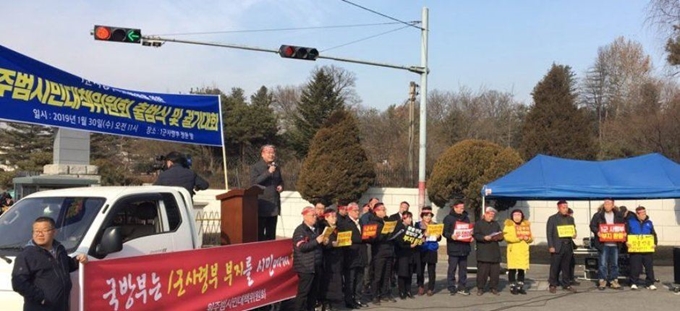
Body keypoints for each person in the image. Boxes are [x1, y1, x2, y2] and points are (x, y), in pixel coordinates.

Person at [12, 216, 88, 311]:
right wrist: (41, 298)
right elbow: (19, 283)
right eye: (36, 231)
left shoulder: (59, 249)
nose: (40, 234)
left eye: (44, 230)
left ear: (54, 232)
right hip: (41, 308)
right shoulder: (27, 255)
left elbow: (66, 265)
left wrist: (78, 260)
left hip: (61, 306)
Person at [292, 206, 326, 311]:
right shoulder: (300, 230)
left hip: (316, 265)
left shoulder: (316, 229)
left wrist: (324, 242)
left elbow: (317, 245)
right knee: (303, 293)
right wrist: (317, 241)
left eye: (315, 215)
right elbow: (302, 247)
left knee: (313, 293)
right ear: (305, 216)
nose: (315, 217)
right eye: (313, 215)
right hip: (305, 267)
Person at [589, 198, 625, 290]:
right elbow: (592, 225)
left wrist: (625, 232)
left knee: (615, 263)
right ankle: (602, 280)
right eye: (605, 204)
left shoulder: (618, 215)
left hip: (615, 243)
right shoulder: (598, 215)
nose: (607, 206)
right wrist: (597, 232)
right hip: (603, 244)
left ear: (613, 205)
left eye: (609, 204)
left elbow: (625, 226)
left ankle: (613, 280)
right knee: (602, 263)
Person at [250, 145, 284, 241]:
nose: (271, 155)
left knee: (271, 234)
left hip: (274, 205)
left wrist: (281, 186)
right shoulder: (256, 167)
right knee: (260, 234)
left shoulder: (276, 167)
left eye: (273, 152)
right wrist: (268, 172)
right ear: (262, 154)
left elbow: (281, 181)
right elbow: (254, 182)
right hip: (262, 204)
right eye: (269, 152)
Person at [366, 203, 396, 305]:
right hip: (379, 252)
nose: (384, 211)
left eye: (385, 209)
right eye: (382, 210)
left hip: (389, 251)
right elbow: (371, 239)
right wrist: (382, 234)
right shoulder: (372, 222)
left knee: (386, 275)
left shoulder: (386, 221)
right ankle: (375, 295)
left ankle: (384, 293)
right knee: (377, 275)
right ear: (376, 211)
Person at [340, 203, 368, 309]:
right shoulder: (344, 223)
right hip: (351, 254)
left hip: (361, 253)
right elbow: (347, 238)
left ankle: (357, 298)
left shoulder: (360, 221)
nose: (358, 212)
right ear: (349, 211)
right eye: (356, 210)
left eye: (358, 210)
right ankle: (349, 300)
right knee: (350, 279)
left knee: (360, 279)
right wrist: (361, 238)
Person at [443, 200, 473, 296]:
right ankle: (451, 286)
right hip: (454, 247)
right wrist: (451, 236)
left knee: (463, 269)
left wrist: (471, 236)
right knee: (452, 268)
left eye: (463, 208)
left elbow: (469, 230)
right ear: (455, 207)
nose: (462, 209)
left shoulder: (466, 218)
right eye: (460, 208)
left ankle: (462, 286)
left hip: (464, 247)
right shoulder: (448, 218)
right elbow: (444, 232)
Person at [547, 200, 577, 293]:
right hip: (557, 245)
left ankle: (566, 284)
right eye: (563, 207)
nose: (565, 209)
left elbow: (573, 230)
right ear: (559, 208)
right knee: (555, 266)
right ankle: (553, 284)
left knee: (566, 266)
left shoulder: (570, 219)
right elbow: (549, 233)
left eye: (566, 207)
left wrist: (574, 234)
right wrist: (551, 246)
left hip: (567, 245)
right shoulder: (552, 218)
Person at [473, 206, 504, 296]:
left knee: (495, 273)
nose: (491, 216)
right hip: (483, 251)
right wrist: (484, 237)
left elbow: (500, 234)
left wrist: (500, 237)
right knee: (482, 272)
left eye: (493, 215)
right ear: (485, 214)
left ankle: (493, 288)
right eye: (490, 215)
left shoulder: (496, 224)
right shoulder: (478, 224)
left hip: (494, 251)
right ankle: (480, 288)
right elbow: (476, 235)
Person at [626, 206, 658, 291]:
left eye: (644, 212)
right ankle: (633, 282)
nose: (644, 214)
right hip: (635, 248)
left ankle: (650, 283)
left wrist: (655, 243)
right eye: (642, 213)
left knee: (649, 266)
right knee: (635, 266)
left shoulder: (649, 222)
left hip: (647, 248)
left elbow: (653, 234)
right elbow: (626, 233)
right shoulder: (630, 222)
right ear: (637, 214)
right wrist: (626, 242)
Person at [503, 209, 533, 295]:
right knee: (512, 269)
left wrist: (528, 239)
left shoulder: (525, 225)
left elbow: (531, 237)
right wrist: (518, 238)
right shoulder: (508, 225)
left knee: (521, 269)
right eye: (515, 215)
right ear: (512, 216)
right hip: (513, 250)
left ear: (522, 216)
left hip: (523, 250)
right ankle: (512, 286)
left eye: (519, 215)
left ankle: (520, 286)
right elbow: (507, 237)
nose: (517, 217)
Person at [393, 211, 420, 299]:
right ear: (403, 218)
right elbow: (398, 242)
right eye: (408, 218)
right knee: (402, 273)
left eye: (410, 217)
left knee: (410, 273)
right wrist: (409, 245)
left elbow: (417, 238)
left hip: (411, 254)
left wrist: (420, 240)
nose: (409, 219)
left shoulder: (412, 228)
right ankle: (401, 291)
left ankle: (408, 290)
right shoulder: (399, 228)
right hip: (402, 254)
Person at [319, 209, 343, 311]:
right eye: (332, 217)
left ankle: (334, 302)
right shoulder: (323, 227)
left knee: (336, 280)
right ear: (326, 217)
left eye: (335, 216)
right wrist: (331, 244)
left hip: (337, 257)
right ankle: (326, 302)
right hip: (327, 258)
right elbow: (322, 243)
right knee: (328, 281)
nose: (334, 218)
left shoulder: (338, 228)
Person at [416, 206, 440, 296]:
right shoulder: (418, 225)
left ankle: (430, 288)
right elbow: (415, 236)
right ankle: (420, 286)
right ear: (422, 216)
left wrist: (438, 236)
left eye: (430, 215)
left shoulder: (435, 224)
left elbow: (439, 238)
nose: (428, 217)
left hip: (432, 249)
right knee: (420, 269)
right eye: (426, 215)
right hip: (422, 249)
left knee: (431, 270)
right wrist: (424, 234)